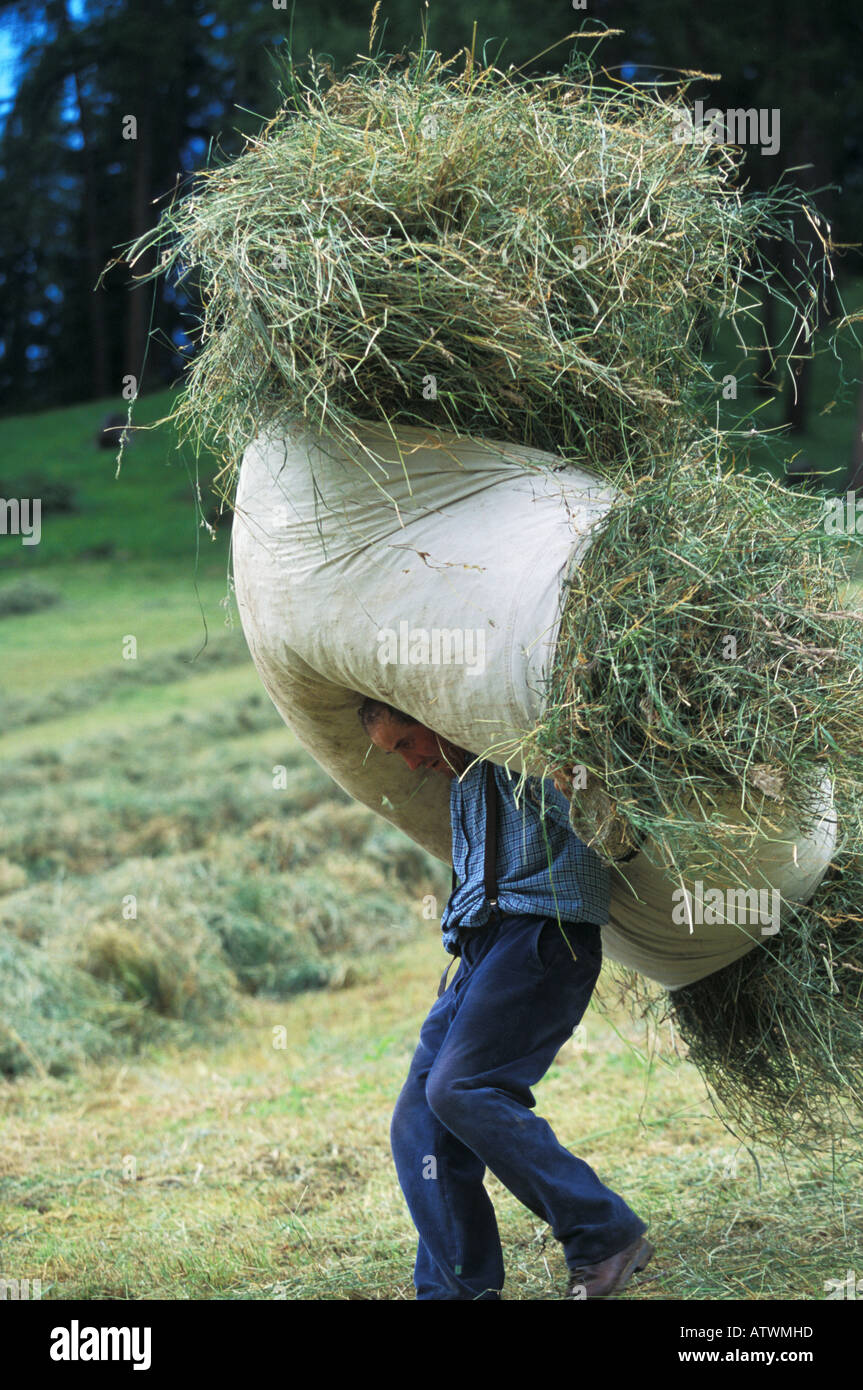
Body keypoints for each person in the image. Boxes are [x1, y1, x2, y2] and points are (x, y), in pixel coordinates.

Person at [358, 697, 653, 1301]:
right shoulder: (462, 778)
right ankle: (454, 1293)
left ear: (433, 713)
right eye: (397, 754)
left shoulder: (529, 747)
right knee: (418, 1121)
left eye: (409, 741)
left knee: (461, 1088)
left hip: (545, 935)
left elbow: (621, 839)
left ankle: (604, 1235)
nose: (412, 763)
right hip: (477, 953)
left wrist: (585, 792)